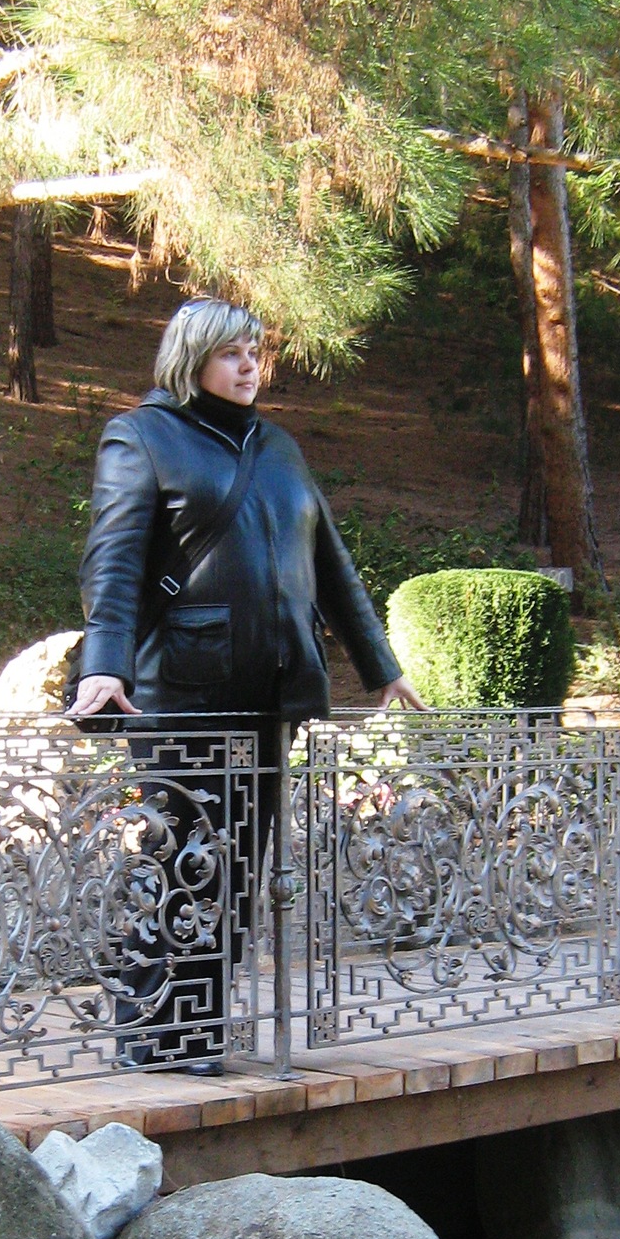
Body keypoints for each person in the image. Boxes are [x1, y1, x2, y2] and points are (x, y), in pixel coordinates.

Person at [73, 296, 424, 1070]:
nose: (249, 366)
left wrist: (382, 666)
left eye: (255, 352)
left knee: (236, 865)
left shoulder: (278, 447)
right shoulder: (142, 436)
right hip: (181, 691)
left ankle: (196, 1030)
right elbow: (114, 563)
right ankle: (148, 1031)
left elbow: (330, 562)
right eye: (231, 353)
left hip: (271, 693)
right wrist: (104, 663)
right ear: (192, 357)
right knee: (182, 856)